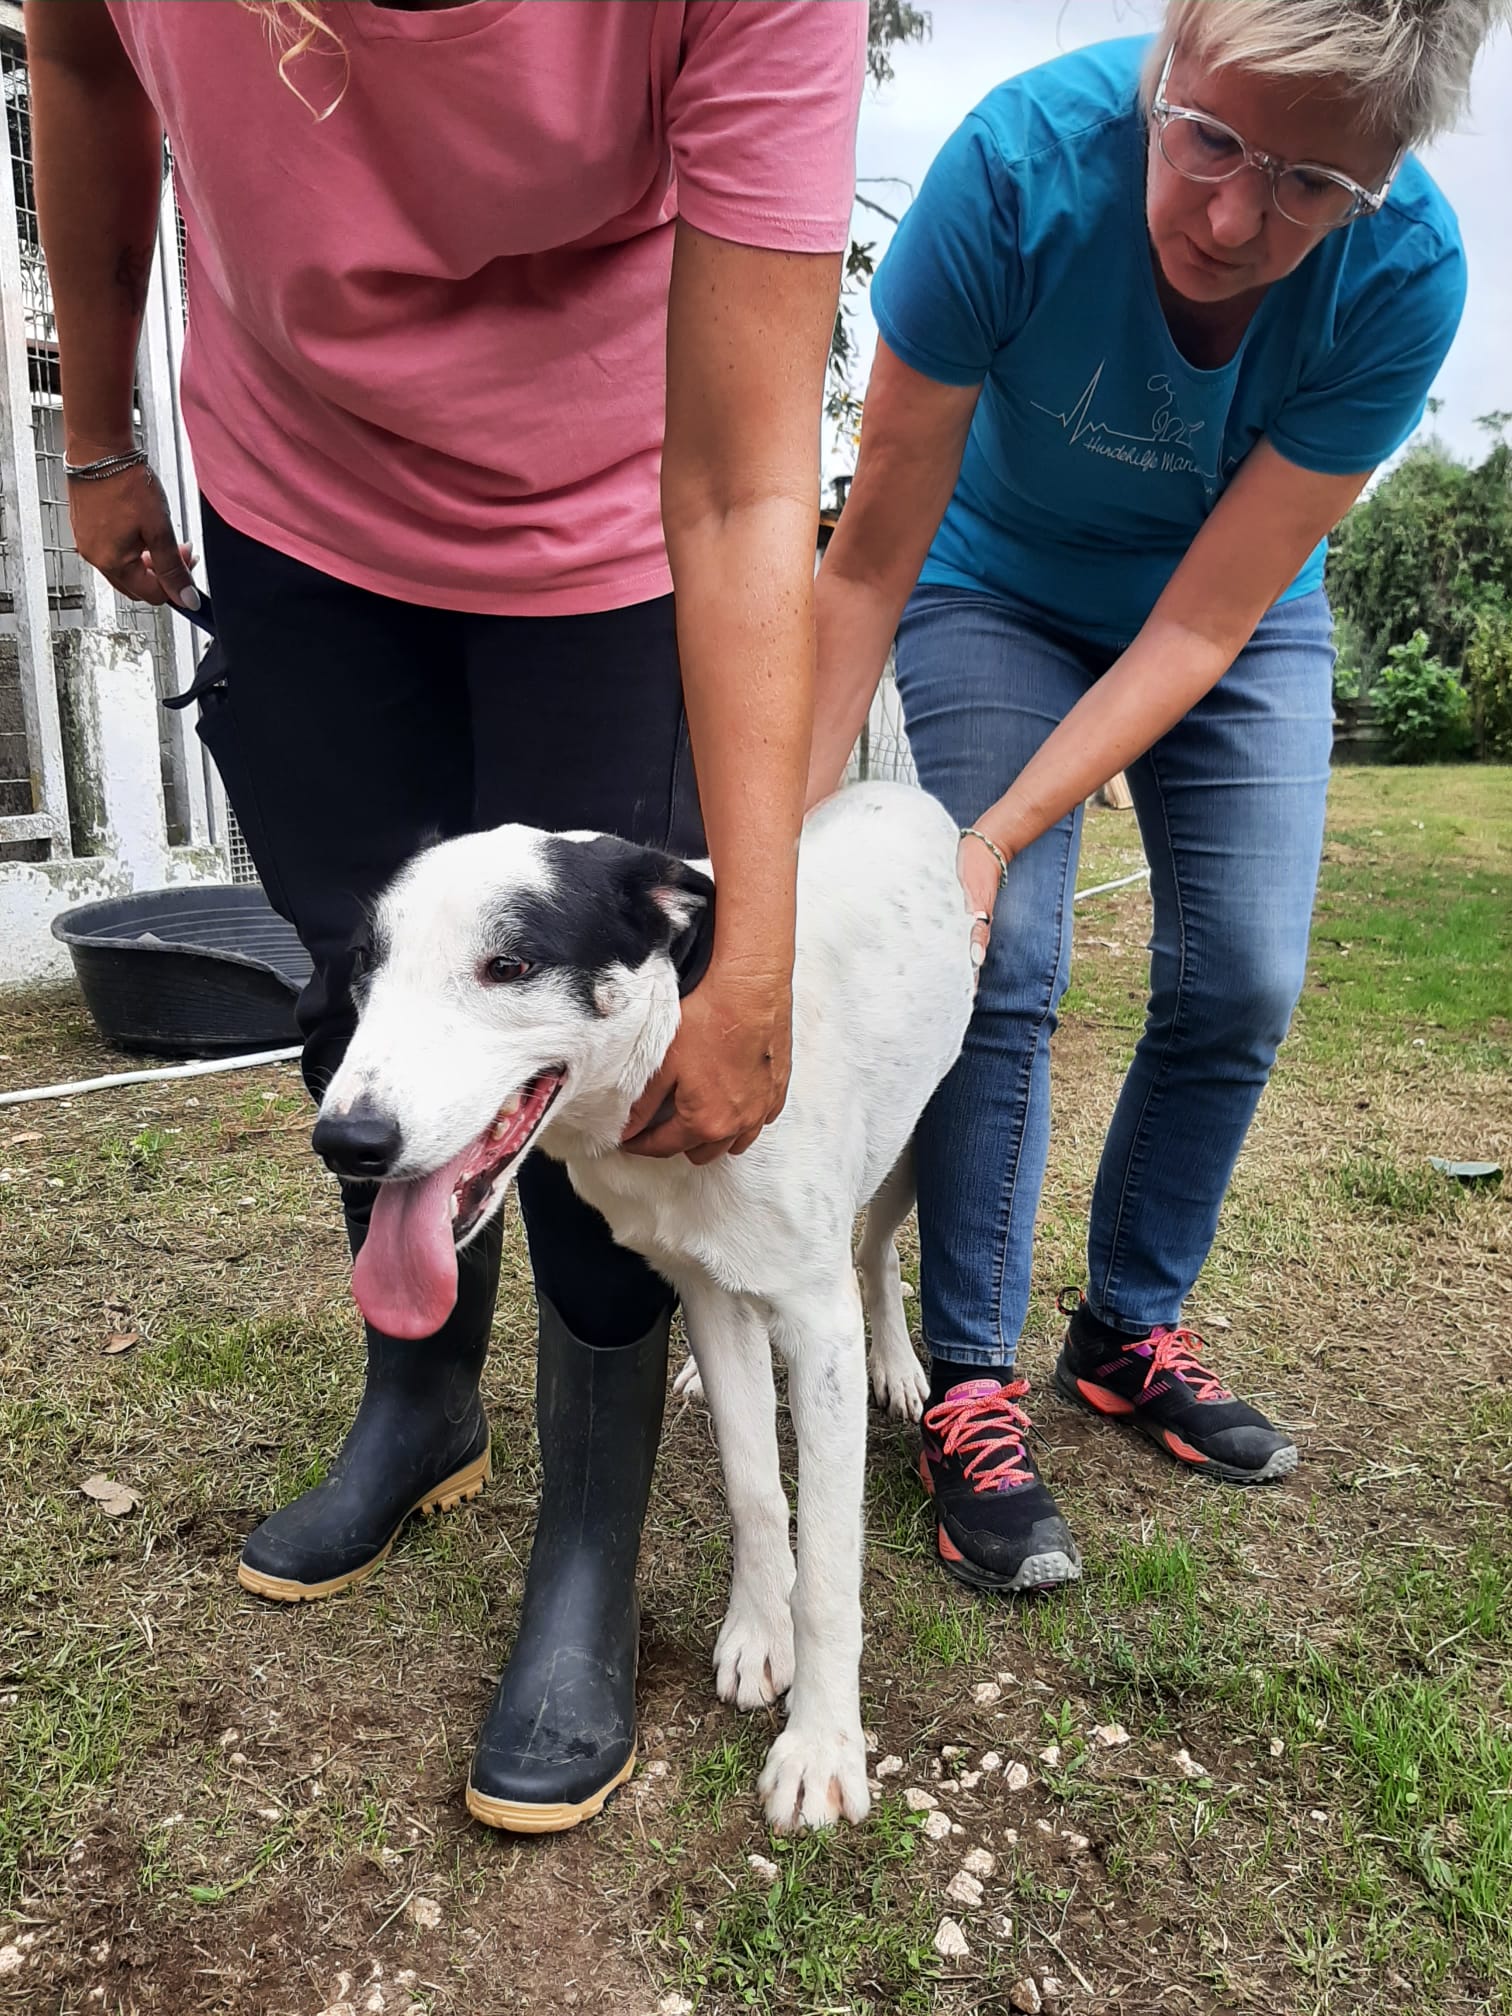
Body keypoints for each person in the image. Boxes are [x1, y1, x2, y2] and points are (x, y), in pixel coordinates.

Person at [30, 0, 865, 1831]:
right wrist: (96, 431)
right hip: (296, 505)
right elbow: (80, 57)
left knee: (574, 1055)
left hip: (616, 521)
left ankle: (590, 1536)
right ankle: (419, 1405)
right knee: (375, 1002)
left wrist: (753, 959)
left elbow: (751, 486)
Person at [808, 0, 1501, 1595]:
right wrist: (779, 859)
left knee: (1243, 974)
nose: (1237, 220)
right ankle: (969, 1378)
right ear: (1168, 62)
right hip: (993, 585)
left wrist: (998, 831)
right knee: (1003, 959)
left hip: (1227, 615)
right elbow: (868, 562)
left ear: (1383, 177)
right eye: (1212, 143)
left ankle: (1127, 1331)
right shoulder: (1012, 173)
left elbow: (1199, 628)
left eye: (1312, 185)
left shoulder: (1407, 274)